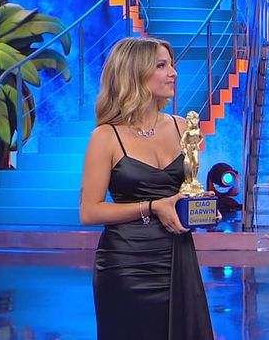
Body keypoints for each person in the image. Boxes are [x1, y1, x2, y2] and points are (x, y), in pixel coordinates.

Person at [79, 37, 217, 340]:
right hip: (126, 266)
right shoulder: (106, 137)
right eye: (161, 65)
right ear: (135, 73)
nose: (173, 73)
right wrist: (152, 207)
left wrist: (201, 207)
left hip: (177, 259)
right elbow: (89, 212)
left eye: (172, 64)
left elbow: (185, 191)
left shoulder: (184, 128)